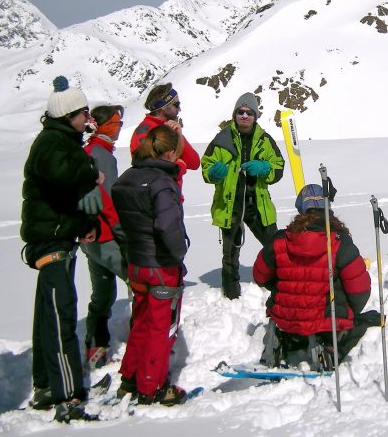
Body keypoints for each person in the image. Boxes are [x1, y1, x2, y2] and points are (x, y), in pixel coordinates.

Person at [20, 76, 103, 423]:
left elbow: (65, 194)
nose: (87, 119)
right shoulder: (53, 143)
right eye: (83, 113)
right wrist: (91, 171)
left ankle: (45, 384)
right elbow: (63, 176)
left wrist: (83, 223)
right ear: (69, 114)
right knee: (60, 315)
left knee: (48, 314)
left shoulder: (60, 140)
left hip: (58, 235)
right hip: (51, 239)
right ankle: (68, 395)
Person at [110, 125, 191, 405]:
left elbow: (119, 223)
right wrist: (179, 252)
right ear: (169, 153)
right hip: (161, 265)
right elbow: (168, 226)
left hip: (136, 261)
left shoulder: (126, 178)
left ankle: (130, 377)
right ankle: (151, 386)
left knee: (141, 321)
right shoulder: (161, 183)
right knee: (160, 326)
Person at [252, 184, 372, 368]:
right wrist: (348, 312)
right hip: (326, 322)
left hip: (286, 319)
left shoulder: (279, 240)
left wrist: (284, 288)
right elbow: (360, 290)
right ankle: (328, 347)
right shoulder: (339, 242)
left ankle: (283, 342)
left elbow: (260, 276)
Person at [201, 93, 285, 299]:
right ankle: (231, 294)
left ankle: (283, 285)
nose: (245, 116)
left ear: (255, 116)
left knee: (276, 247)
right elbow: (206, 166)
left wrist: (265, 168)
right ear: (235, 114)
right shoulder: (222, 139)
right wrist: (213, 174)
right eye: (241, 112)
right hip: (230, 205)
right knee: (230, 254)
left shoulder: (265, 140)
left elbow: (279, 167)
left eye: (249, 113)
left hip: (258, 205)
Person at [80, 104, 127, 369]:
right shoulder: (102, 155)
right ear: (104, 126)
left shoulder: (90, 151)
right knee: (137, 281)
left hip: (90, 237)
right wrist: (122, 233)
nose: (119, 127)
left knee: (102, 293)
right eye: (116, 123)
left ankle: (95, 344)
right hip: (106, 236)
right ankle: (143, 340)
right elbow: (109, 200)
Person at [129, 82, 200, 200]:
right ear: (163, 107)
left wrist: (179, 136)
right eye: (176, 105)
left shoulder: (170, 128)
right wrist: (179, 165)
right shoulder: (145, 132)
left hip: (170, 196)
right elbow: (151, 168)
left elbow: (194, 162)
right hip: (154, 199)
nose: (179, 109)